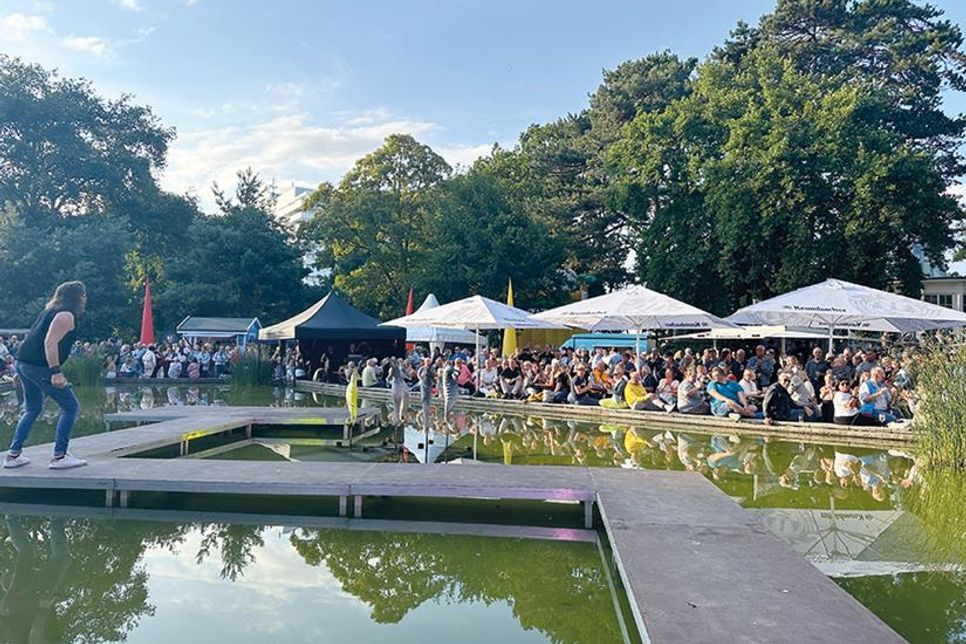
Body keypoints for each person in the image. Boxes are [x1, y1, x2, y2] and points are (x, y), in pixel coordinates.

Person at [5, 281, 88, 469]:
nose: (85, 298)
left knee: (32, 408)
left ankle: (13, 455)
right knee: (70, 406)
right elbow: (50, 343)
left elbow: (31, 338)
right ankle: (60, 456)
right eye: (83, 294)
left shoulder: (48, 312)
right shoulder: (65, 315)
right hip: (39, 366)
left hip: (25, 363)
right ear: (78, 297)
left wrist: (18, 369)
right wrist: (56, 372)